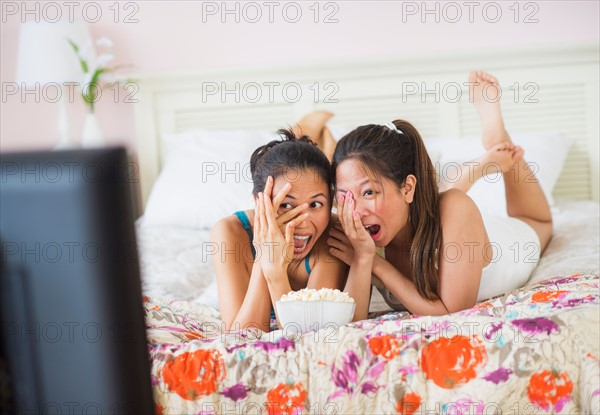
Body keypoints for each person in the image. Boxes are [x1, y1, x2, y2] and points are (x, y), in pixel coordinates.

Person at [327, 71, 553, 319]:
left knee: (539, 221)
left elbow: (452, 311)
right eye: (344, 196)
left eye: (368, 192)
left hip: (508, 239)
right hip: (436, 220)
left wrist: (377, 265)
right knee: (438, 199)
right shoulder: (355, 227)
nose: (356, 211)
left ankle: (498, 142)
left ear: (407, 187)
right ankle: (481, 163)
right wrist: (362, 260)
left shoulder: (456, 209)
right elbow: (352, 322)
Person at [211, 127, 347, 332]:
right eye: (286, 205)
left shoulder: (332, 234)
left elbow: (307, 335)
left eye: (316, 204)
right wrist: (264, 256)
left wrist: (275, 273)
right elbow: (241, 339)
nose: (302, 222)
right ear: (259, 202)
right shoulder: (229, 232)